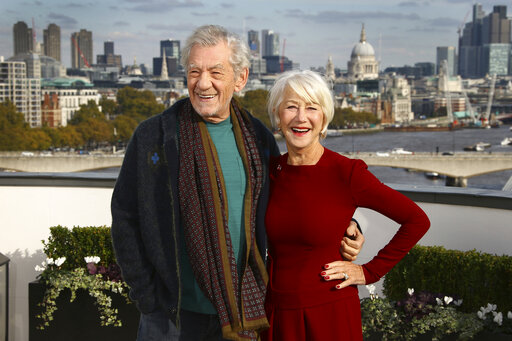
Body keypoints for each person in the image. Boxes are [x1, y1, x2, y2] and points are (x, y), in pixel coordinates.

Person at [111, 25, 364, 341]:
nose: (203, 83)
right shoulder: (153, 137)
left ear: (240, 79)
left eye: (216, 72)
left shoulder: (258, 138)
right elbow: (125, 217)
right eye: (194, 72)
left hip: (241, 313)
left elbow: (291, 200)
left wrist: (345, 225)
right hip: (170, 317)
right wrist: (147, 297)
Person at [263, 70, 431, 341]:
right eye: (291, 107)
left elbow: (417, 220)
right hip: (277, 313)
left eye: (311, 108)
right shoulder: (269, 172)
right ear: (277, 114)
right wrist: (352, 224)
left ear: (324, 118)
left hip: (330, 313)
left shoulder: (347, 173)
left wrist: (369, 271)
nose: (301, 117)